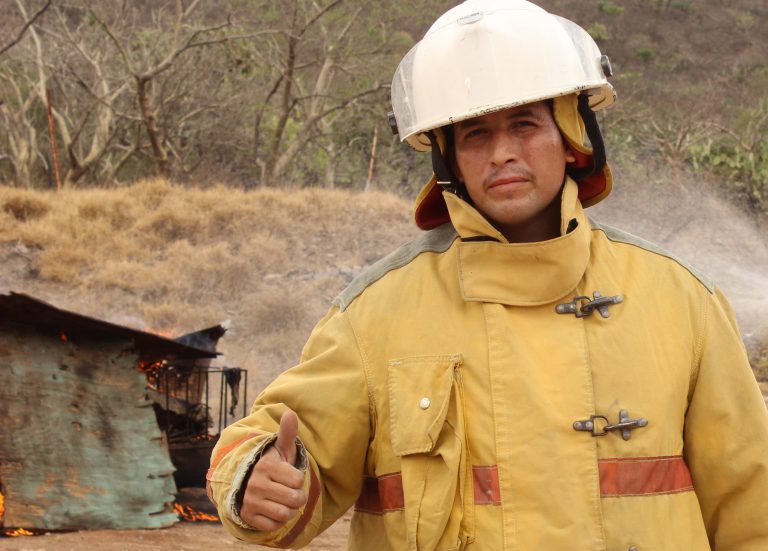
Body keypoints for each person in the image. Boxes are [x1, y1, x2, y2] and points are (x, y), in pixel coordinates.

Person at [207, 0, 768, 549]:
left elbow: (750, 501)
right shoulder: (375, 312)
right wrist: (257, 482)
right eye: (475, 134)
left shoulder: (681, 298)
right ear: (448, 158)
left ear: (571, 140)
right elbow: (278, 446)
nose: (502, 153)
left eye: (524, 125)